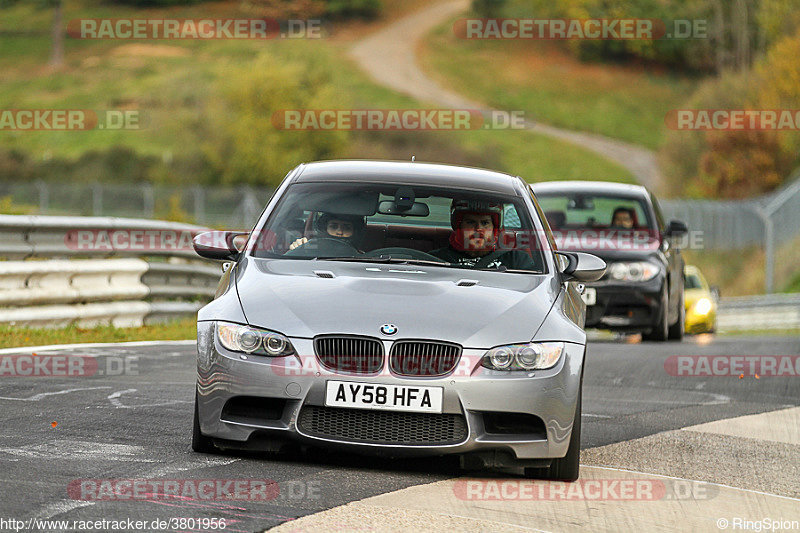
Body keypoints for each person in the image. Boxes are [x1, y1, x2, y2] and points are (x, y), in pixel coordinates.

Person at [429, 199, 539, 270]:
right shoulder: (436, 259)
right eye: (470, 222)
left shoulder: (517, 261)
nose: (478, 229)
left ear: (494, 228)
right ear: (459, 226)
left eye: (485, 223)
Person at [288, 213, 365, 251]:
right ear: (325, 229)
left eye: (346, 228)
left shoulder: (361, 258)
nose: (340, 232)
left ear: (354, 231)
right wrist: (298, 249)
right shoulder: (311, 249)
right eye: (334, 227)